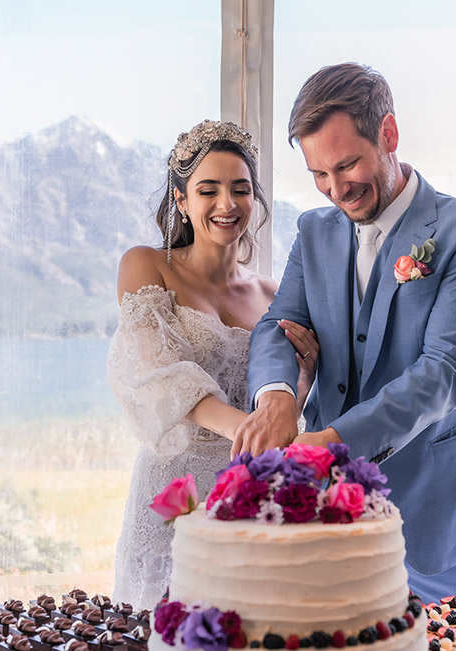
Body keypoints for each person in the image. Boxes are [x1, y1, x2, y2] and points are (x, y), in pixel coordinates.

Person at [233, 63, 456, 603]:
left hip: (443, 524)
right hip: (330, 521)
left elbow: (446, 371)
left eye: (346, 165)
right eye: (318, 174)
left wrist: (335, 444)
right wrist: (276, 398)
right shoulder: (313, 231)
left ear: (388, 133)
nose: (335, 190)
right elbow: (277, 327)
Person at [107, 120, 318, 609]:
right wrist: (254, 430)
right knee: (160, 645)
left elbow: (279, 400)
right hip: (171, 489)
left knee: (247, 643)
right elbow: (160, 378)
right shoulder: (146, 265)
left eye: (240, 190)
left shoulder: (273, 294)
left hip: (250, 491)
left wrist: (299, 385)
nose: (227, 204)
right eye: (209, 190)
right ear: (181, 200)